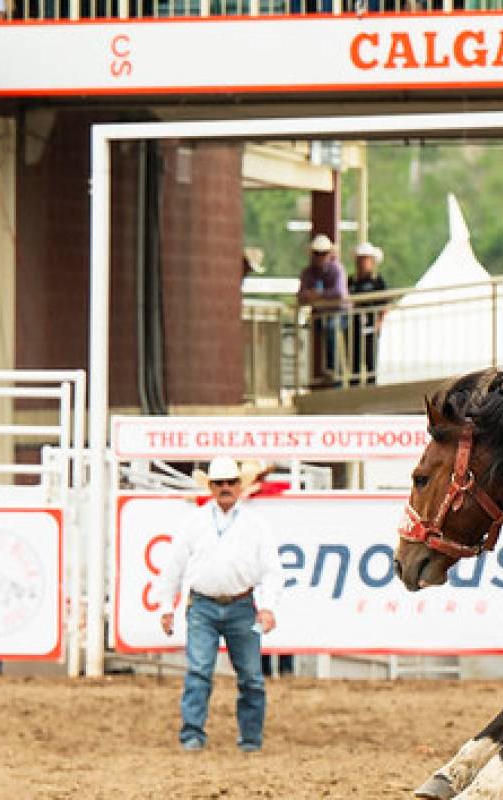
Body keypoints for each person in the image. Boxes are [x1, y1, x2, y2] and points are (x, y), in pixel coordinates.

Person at [155, 456, 283, 753]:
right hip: (203, 605)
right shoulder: (194, 522)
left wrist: (267, 606)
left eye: (230, 482)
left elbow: (272, 570)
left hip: (242, 605)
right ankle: (192, 734)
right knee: (199, 671)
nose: (225, 487)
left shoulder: (256, 525)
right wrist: (165, 606)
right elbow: (173, 566)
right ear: (211, 487)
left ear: (240, 486)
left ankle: (250, 739)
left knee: (251, 677)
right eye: (219, 483)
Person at [296, 234, 350, 382]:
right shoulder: (307, 272)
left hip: (339, 313)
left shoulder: (337, 269)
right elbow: (301, 294)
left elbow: (339, 293)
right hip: (319, 314)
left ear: (329, 254)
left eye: (323, 253)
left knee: (331, 328)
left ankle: (333, 370)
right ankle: (310, 374)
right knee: (306, 332)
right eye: (317, 253)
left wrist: (317, 295)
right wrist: (313, 295)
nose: (320, 257)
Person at [348, 242, 388, 383]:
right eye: (360, 259)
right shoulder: (351, 281)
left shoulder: (378, 282)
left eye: (366, 259)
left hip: (371, 326)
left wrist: (379, 322)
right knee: (355, 359)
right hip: (354, 326)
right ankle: (354, 385)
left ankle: (371, 384)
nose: (363, 262)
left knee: (370, 358)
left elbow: (385, 304)